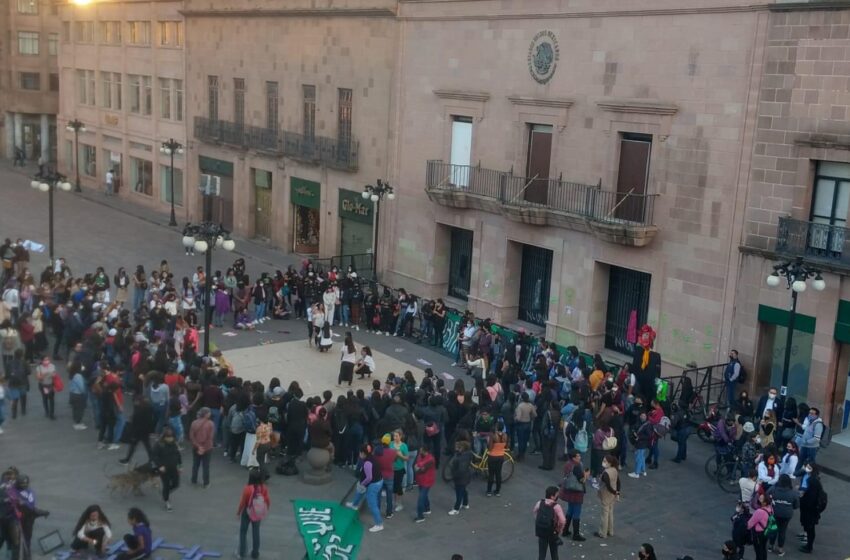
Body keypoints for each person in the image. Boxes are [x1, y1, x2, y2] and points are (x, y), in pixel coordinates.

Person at [345, 444, 385, 533]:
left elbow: (369, 477)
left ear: (363, 453)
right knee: (359, 491)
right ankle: (354, 504)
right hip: (377, 481)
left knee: (372, 504)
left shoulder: (367, 462)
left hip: (372, 484)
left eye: (360, 452)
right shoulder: (372, 458)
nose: (359, 454)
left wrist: (363, 483)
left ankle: (379, 524)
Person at [236, 468, 270, 560]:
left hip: (247, 512)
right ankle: (255, 553)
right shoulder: (263, 488)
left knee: (243, 531)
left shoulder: (247, 489)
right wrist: (265, 510)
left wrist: (238, 512)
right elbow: (267, 500)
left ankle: (242, 553)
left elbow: (243, 502)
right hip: (257, 513)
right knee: (256, 532)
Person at [559, 449, 588, 541]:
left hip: (568, 491)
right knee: (576, 512)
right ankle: (576, 534)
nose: (580, 457)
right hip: (576, 492)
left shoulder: (568, 464)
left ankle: (565, 529)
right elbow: (582, 480)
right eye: (578, 456)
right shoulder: (577, 466)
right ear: (574, 458)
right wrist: (586, 475)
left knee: (570, 510)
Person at [768, 474, 798, 556]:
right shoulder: (793, 493)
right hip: (786, 515)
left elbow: (766, 496)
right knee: (782, 531)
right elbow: (796, 505)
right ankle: (780, 549)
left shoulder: (773, 489)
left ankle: (771, 546)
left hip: (774, 513)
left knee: (773, 529)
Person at [152, 426, 181, 512]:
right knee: (166, 484)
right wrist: (160, 466)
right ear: (164, 437)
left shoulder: (175, 443)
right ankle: (167, 501)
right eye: (168, 437)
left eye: (171, 437)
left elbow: (178, 454)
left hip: (174, 468)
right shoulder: (159, 445)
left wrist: (180, 465)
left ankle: (165, 493)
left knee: (176, 484)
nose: (170, 439)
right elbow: (154, 456)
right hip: (164, 469)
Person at [533, 486, 566, 560]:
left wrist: (539, 522)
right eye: (557, 494)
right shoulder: (557, 507)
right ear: (552, 496)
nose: (558, 495)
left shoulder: (540, 503)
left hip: (541, 531)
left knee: (541, 554)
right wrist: (559, 529)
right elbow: (562, 520)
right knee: (554, 554)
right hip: (552, 532)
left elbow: (534, 511)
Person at [798, 463, 824, 554]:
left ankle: (809, 547)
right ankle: (808, 543)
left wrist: (803, 494)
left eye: (809, 467)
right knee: (809, 527)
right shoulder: (814, 481)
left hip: (810, 510)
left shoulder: (813, 482)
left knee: (810, 528)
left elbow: (811, 499)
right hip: (810, 509)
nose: (807, 468)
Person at [595, 455, 620, 539]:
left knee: (604, 515)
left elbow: (608, 486)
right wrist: (617, 492)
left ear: (610, 463)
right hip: (612, 496)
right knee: (610, 513)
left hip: (606, 494)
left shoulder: (606, 473)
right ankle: (610, 531)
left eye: (605, 461)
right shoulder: (615, 470)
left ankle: (603, 533)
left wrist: (614, 492)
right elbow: (618, 482)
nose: (603, 462)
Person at [190, 407, 214, 488]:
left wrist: (198, 446)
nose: (210, 414)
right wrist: (203, 447)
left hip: (195, 447)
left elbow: (191, 436)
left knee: (195, 464)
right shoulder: (210, 424)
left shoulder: (194, 423)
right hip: (207, 448)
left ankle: (194, 480)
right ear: (206, 414)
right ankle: (206, 483)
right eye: (209, 412)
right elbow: (209, 437)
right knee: (206, 466)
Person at [447, 440, 473, 515]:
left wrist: (454, 475)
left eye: (457, 447)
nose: (455, 448)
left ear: (461, 448)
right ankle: (465, 503)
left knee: (459, 493)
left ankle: (456, 508)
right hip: (465, 476)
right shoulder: (468, 454)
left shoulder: (460, 457)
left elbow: (460, 469)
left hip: (460, 477)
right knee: (463, 490)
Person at [796, 407, 824, 473]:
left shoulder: (818, 425)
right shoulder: (810, 422)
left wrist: (807, 442)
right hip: (805, 445)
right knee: (801, 459)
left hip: (812, 447)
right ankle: (796, 472)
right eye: (809, 413)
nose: (810, 414)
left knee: (811, 462)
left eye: (812, 413)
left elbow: (817, 438)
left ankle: (812, 474)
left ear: (816, 415)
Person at [747, 492, 774, 560]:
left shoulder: (759, 511)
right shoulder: (770, 508)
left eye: (761, 499)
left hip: (759, 534)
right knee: (763, 548)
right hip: (766, 531)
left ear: (764, 502)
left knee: (758, 551)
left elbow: (750, 524)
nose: (759, 499)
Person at [413, 445, 435, 523]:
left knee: (420, 499)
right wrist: (417, 467)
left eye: (421, 450)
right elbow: (416, 465)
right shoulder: (420, 455)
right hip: (420, 480)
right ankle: (427, 508)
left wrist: (417, 468)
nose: (420, 451)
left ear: (426, 451)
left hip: (427, 481)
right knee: (424, 495)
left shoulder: (430, 460)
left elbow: (422, 470)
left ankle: (420, 516)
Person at [390, 429, 409, 513]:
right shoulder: (391, 444)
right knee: (392, 486)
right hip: (391, 468)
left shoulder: (404, 446)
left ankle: (399, 504)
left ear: (400, 436)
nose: (394, 437)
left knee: (398, 487)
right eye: (394, 436)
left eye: (396, 436)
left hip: (399, 469)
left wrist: (400, 455)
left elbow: (407, 458)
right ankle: (394, 502)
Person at [486, 428, 507, 497]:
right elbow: (506, 446)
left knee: (491, 474)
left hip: (492, 457)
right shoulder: (505, 436)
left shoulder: (493, 436)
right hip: (501, 457)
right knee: (498, 474)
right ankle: (497, 491)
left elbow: (490, 448)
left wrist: (488, 441)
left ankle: (489, 491)